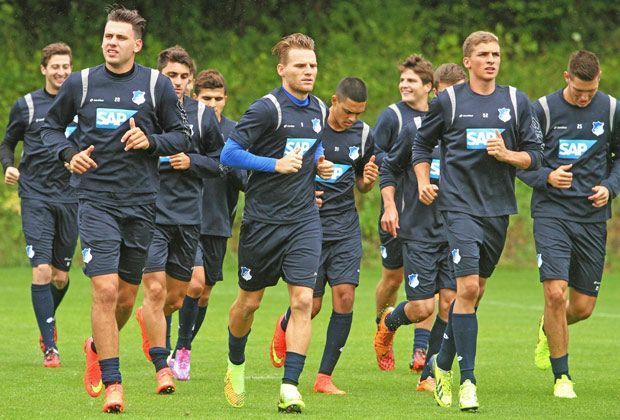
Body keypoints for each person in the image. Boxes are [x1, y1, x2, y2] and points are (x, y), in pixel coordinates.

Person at [41, 6, 191, 413]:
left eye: (121, 37)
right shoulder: (82, 82)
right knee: (104, 290)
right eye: (108, 35)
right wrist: (68, 154)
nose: (111, 42)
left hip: (141, 203)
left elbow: (181, 136)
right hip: (95, 200)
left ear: (137, 45)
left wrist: (152, 142)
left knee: (127, 298)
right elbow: (50, 128)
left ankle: (95, 346)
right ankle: (113, 382)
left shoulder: (157, 85)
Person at [412, 31, 544, 411]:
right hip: (458, 207)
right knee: (465, 289)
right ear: (467, 61)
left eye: (496, 54)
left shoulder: (516, 102)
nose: (491, 60)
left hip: (497, 210)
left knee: (475, 294)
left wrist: (509, 155)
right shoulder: (449, 101)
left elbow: (535, 156)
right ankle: (467, 381)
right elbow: (422, 144)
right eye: (483, 54)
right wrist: (423, 180)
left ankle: (440, 363)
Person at [219, 33, 333, 413]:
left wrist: (319, 165)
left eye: (313, 65)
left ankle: (290, 387)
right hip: (263, 222)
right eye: (300, 65)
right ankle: (235, 363)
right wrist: (274, 165)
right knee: (248, 303)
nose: (308, 71)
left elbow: (310, 147)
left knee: (303, 300)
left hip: (304, 219)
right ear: (282, 69)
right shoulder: (267, 109)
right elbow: (229, 153)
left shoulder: (318, 108)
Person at [518, 50, 620, 399]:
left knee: (581, 308)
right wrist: (547, 176)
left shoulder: (610, 109)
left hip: (592, 217)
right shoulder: (541, 110)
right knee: (555, 292)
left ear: (599, 79)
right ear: (566, 77)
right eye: (578, 90)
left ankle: (549, 327)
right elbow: (522, 161)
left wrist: (610, 187)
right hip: (552, 213)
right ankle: (563, 377)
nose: (583, 97)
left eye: (590, 91)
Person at [270, 77, 377, 395]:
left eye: (358, 114)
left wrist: (368, 180)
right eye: (347, 111)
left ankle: (324, 378)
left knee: (345, 296)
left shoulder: (364, 134)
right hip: (309, 226)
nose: (352, 119)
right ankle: (284, 324)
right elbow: (286, 170)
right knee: (311, 305)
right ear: (334, 100)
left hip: (345, 227)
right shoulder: (309, 127)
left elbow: (361, 182)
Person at [134, 46, 223, 390]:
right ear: (160, 76)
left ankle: (148, 322)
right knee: (155, 291)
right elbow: (129, 156)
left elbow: (219, 162)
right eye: (172, 75)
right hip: (151, 213)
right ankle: (163, 365)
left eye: (185, 76)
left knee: (177, 296)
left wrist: (192, 163)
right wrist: (163, 161)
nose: (179, 82)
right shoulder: (145, 111)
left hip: (189, 217)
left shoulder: (203, 116)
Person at [375, 63, 466, 392]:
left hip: (456, 228)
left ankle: (429, 373)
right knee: (423, 306)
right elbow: (388, 171)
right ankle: (389, 320)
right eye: (448, 94)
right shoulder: (416, 131)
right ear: (437, 94)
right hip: (418, 230)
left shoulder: (467, 134)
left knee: (450, 303)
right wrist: (389, 206)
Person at [0, 42, 76, 367]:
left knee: (60, 277)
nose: (60, 72)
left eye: (65, 67)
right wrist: (8, 166)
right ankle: (50, 346)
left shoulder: (80, 103)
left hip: (72, 196)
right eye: (54, 67)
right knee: (42, 270)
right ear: (44, 69)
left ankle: (47, 322)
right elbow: (7, 142)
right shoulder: (27, 105)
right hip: (35, 196)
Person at [169, 69, 245, 381]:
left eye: (218, 98)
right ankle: (175, 349)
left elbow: (243, 178)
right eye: (206, 98)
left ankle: (180, 350)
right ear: (196, 98)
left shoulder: (235, 132)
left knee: (203, 293)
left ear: (225, 100)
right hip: (184, 217)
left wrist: (229, 164)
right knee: (186, 286)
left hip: (217, 221)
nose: (212, 103)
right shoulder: (186, 125)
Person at [373, 54, 435, 372]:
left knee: (429, 286)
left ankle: (420, 351)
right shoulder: (393, 117)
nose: (404, 85)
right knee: (393, 277)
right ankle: (382, 324)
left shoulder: (442, 120)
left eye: (411, 81)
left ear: (429, 86)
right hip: (396, 208)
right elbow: (378, 156)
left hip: (426, 219)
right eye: (402, 80)